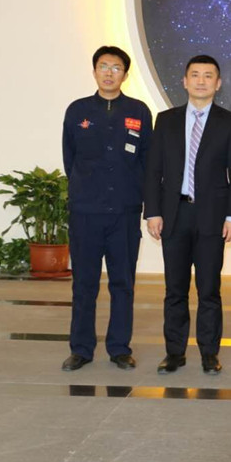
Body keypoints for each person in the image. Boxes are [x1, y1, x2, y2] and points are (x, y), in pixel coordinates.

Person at [144, 55, 231, 375]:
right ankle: (174, 353)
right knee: (174, 290)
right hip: (174, 215)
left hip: (212, 218)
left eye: (208, 75)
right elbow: (153, 170)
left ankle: (209, 354)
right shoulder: (166, 120)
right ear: (185, 81)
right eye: (195, 75)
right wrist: (152, 212)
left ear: (218, 83)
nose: (201, 81)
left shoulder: (229, 121)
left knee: (209, 290)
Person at [61, 46, 152, 372]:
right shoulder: (78, 110)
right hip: (85, 213)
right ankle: (81, 349)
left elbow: (147, 161)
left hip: (124, 213)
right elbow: (70, 158)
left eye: (116, 68)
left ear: (125, 74)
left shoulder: (139, 111)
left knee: (122, 284)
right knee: (84, 284)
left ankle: (119, 348)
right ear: (94, 71)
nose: (109, 73)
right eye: (103, 66)